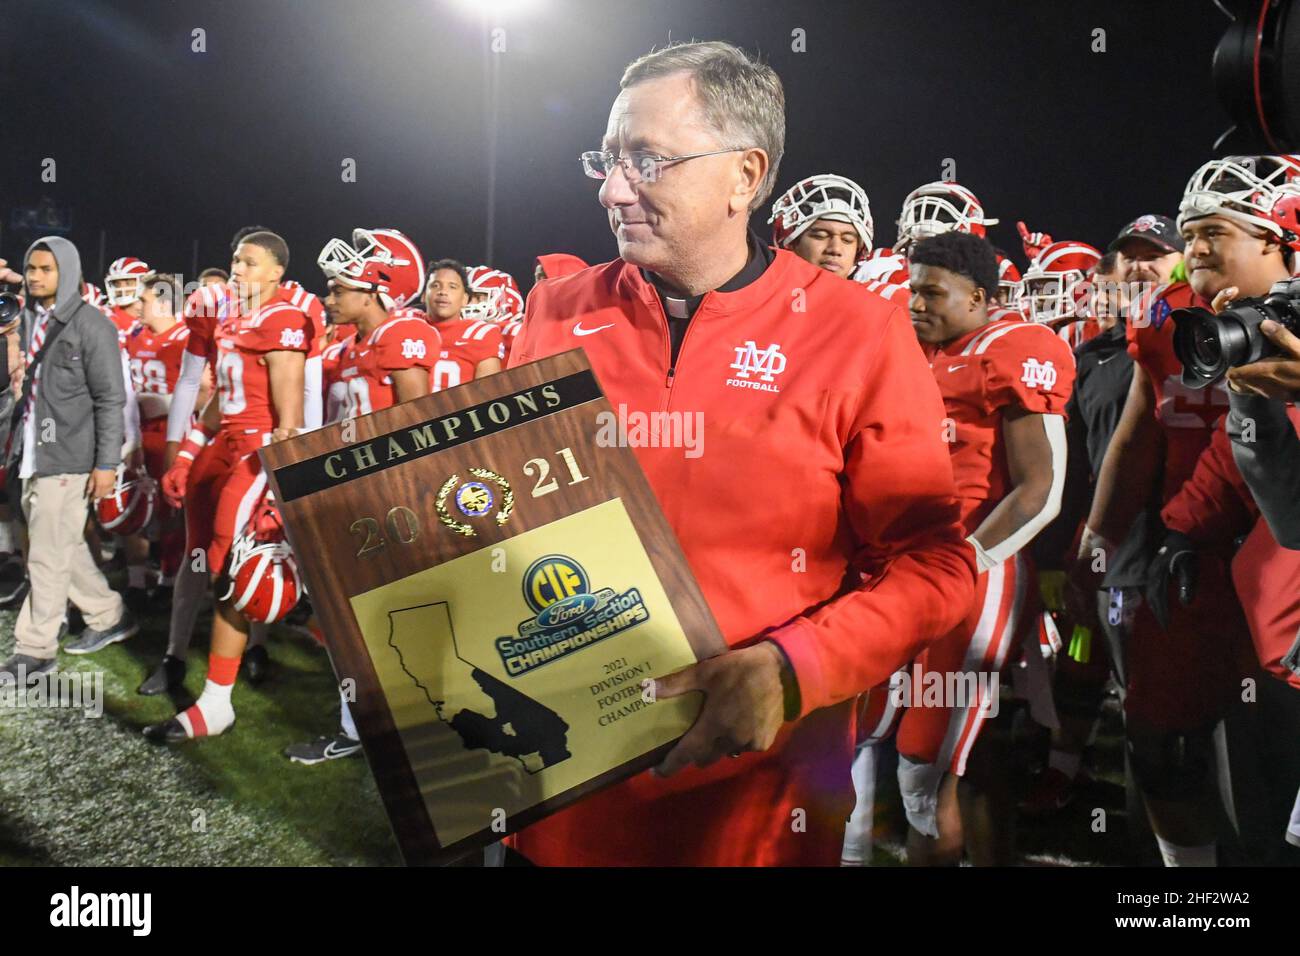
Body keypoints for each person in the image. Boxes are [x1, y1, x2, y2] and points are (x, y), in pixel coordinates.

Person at [506, 39, 975, 866]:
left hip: (754, 809)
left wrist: (793, 667)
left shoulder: (855, 333)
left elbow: (934, 566)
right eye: (608, 159)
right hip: (560, 800)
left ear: (745, 177)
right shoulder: (553, 310)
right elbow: (501, 509)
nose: (613, 189)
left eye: (647, 160)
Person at [1068, 155, 1298, 866]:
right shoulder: (1175, 316)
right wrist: (1117, 537)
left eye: (1214, 232)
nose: (1192, 249)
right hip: (1202, 562)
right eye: (1190, 233)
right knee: (1165, 742)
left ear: (1279, 239)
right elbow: (1150, 438)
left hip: (1277, 580)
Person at [847, 232, 1074, 866]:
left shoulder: (1015, 350)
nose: (915, 303)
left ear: (979, 295)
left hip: (974, 572)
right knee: (863, 743)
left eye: (931, 292)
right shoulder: (920, 347)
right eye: (912, 289)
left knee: (925, 771)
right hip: (896, 572)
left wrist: (965, 562)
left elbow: (1041, 489)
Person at [144, 231, 313, 741]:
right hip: (222, 448)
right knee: (199, 559)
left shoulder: (285, 320)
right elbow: (218, 405)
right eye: (236, 261)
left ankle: (217, 701)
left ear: (277, 272)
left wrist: (277, 483)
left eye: (251, 263)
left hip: (257, 454)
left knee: (234, 569)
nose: (238, 270)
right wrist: (187, 457)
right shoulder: (231, 318)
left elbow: (290, 422)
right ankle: (194, 675)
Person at [284, 228, 437, 765]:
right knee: (348, 618)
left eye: (338, 288)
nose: (329, 297)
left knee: (390, 619)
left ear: (375, 289)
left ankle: (406, 726)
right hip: (347, 495)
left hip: (386, 497)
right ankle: (359, 726)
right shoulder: (349, 345)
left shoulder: (403, 334)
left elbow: (413, 424)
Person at [0, 238, 135, 681]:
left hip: (70, 457)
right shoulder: (32, 316)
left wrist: (106, 463)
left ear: (70, 274)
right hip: (33, 453)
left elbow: (109, 399)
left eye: (46, 269)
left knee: (45, 553)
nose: (36, 276)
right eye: (31, 268)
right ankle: (109, 615)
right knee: (62, 546)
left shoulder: (93, 326)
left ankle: (35, 648)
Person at [768, 173, 874, 278]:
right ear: (791, 243)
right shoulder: (762, 290)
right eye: (820, 236)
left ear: (858, 251)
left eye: (847, 239)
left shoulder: (874, 294)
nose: (835, 249)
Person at [422, 258, 502, 390]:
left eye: (452, 287)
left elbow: (488, 396)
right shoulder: (407, 323)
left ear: (465, 299)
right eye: (435, 285)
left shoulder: (481, 334)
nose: (443, 291)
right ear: (424, 295)